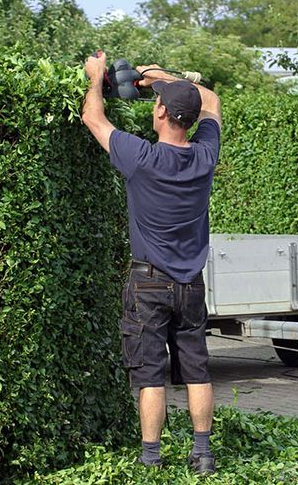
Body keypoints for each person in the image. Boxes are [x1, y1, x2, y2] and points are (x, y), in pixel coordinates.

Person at [81, 51, 221, 475]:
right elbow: (210, 100)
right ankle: (202, 454)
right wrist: (161, 79)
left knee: (149, 376)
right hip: (191, 284)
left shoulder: (140, 157)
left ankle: (151, 458)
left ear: (159, 113)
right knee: (197, 370)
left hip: (148, 284)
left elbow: (93, 116)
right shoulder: (204, 156)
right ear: (190, 120)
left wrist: (94, 77)